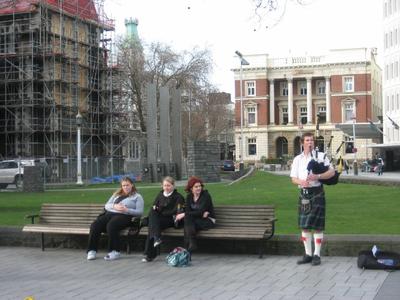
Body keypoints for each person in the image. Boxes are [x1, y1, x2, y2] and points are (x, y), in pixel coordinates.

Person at [290, 132, 335, 266]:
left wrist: (318, 176)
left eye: (312, 140)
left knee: (317, 226)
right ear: (302, 143)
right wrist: (301, 182)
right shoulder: (297, 159)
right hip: (304, 193)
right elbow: (293, 178)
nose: (310, 142)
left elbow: (332, 172)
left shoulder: (320, 156)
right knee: (305, 226)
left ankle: (317, 255)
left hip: (317, 192)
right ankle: (308, 254)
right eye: (307, 140)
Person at [86, 177, 144, 261]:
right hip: (110, 214)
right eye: (123, 185)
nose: (125, 187)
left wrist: (126, 210)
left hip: (125, 216)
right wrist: (114, 206)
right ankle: (92, 250)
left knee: (111, 225)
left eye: (127, 185)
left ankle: (114, 251)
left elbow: (139, 212)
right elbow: (106, 205)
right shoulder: (116, 194)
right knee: (95, 225)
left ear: (132, 185)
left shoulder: (137, 197)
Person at [142, 176, 185, 262]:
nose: (166, 187)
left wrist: (160, 210)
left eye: (168, 185)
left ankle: (149, 254)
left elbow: (176, 211)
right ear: (162, 186)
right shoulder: (160, 194)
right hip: (159, 219)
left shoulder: (178, 197)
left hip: (171, 219)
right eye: (165, 185)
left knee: (152, 224)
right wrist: (156, 209)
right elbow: (154, 206)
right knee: (153, 216)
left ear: (173, 186)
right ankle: (156, 238)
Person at [180, 176, 216, 255]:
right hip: (195, 220)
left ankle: (187, 249)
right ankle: (190, 247)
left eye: (200, 186)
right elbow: (191, 211)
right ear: (191, 188)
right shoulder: (189, 197)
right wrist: (195, 213)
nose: (199, 188)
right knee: (188, 222)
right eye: (196, 187)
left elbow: (200, 212)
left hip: (208, 221)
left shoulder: (205, 196)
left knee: (187, 221)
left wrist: (186, 214)